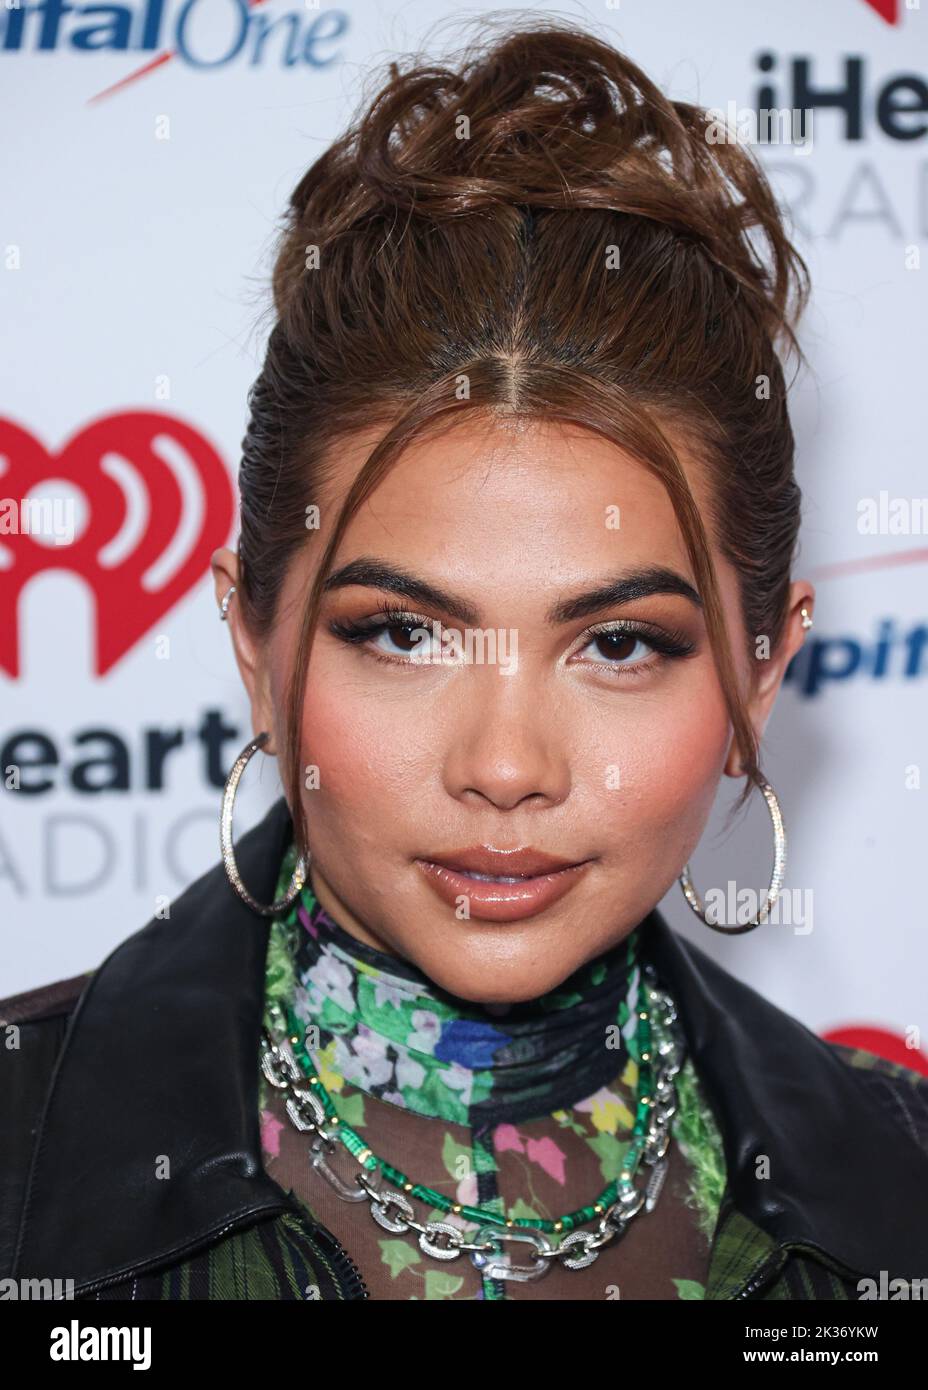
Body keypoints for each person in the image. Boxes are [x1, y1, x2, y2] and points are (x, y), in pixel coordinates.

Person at [3, 18, 927, 1303]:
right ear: (252, 638)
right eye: (403, 632)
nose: (505, 767)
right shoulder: (20, 1165)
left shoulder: (899, 1197)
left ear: (760, 674)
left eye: (617, 643)